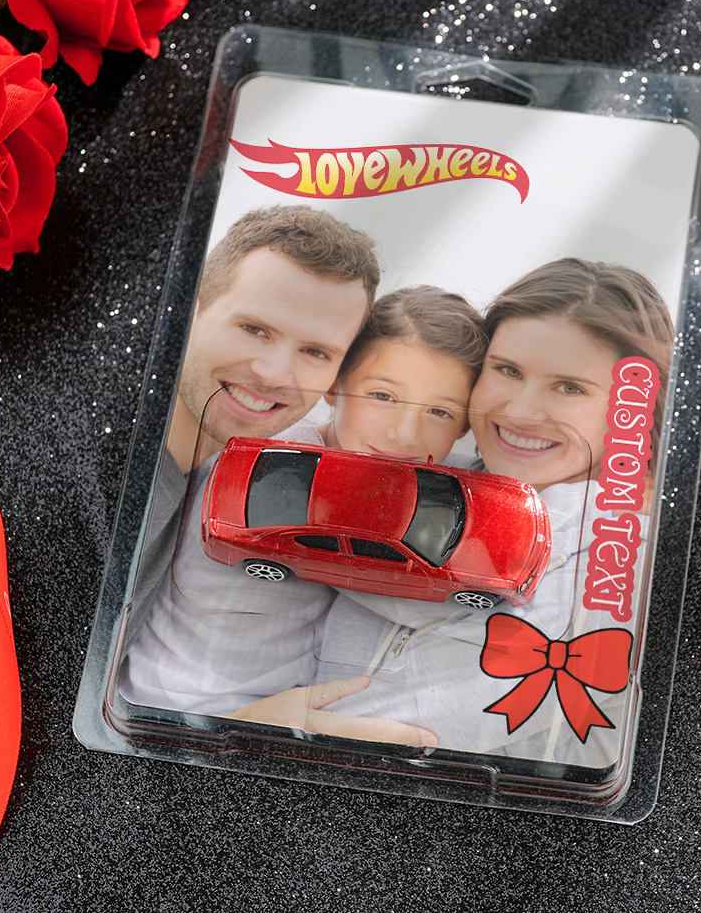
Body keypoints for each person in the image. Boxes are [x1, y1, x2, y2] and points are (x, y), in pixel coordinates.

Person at [300, 259, 673, 766]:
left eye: (570, 387)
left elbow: (406, 733)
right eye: (507, 370)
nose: (520, 411)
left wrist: (251, 722)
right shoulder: (435, 472)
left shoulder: (615, 564)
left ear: (632, 412)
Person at [122, 287, 488, 739]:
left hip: (238, 715)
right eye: (383, 396)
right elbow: (415, 598)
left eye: (439, 412)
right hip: (177, 716)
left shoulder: (362, 461)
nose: (405, 433)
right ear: (334, 385)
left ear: (466, 424)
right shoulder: (286, 469)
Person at [126, 203, 380, 642]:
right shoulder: (103, 475)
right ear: (189, 310)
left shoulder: (212, 485)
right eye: (254, 328)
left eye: (315, 352)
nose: (274, 374)